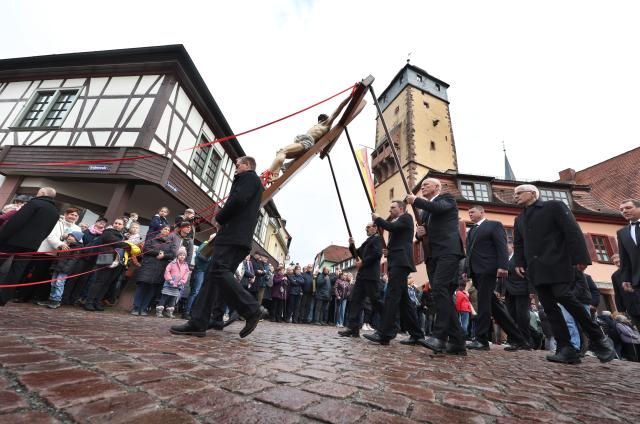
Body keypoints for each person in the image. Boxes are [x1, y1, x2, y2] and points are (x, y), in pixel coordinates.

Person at [513, 184, 615, 364]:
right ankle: (565, 347)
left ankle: (599, 339)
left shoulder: (554, 206)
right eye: (515, 194)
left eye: (519, 193)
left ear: (533, 193)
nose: (516, 196)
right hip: (536, 269)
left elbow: (572, 231)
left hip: (558, 263)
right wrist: (519, 262)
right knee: (549, 308)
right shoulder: (520, 218)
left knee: (564, 297)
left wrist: (581, 258)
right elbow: (519, 244)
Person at [171, 156, 264, 338]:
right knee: (213, 279)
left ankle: (251, 309)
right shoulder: (253, 182)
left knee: (218, 272)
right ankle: (200, 322)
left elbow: (237, 200)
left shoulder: (249, 178)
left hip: (232, 236)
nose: (235, 169)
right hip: (238, 238)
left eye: (237, 166)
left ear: (247, 165)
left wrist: (220, 218)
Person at [406, 178, 467, 355]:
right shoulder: (425, 212)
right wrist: (419, 234)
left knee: (441, 289)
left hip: (448, 251)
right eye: (422, 185)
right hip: (433, 255)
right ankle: (457, 342)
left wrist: (416, 201)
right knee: (443, 295)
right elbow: (423, 233)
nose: (422, 187)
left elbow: (438, 208)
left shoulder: (446, 199)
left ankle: (439, 338)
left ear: (437, 187)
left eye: (426, 184)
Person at [464, 205, 529, 351]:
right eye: (468, 213)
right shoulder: (472, 230)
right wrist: (467, 270)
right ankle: (520, 339)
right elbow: (470, 252)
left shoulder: (493, 225)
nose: (470, 214)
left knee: (484, 303)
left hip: (488, 269)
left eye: (473, 212)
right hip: (476, 271)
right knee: (494, 306)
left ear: (482, 212)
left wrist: (503, 266)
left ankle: (481, 340)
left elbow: (501, 246)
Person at [365, 200, 425, 346]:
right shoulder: (399, 222)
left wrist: (378, 219)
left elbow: (392, 227)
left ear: (401, 208)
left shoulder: (406, 217)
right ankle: (417, 334)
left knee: (392, 297)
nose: (390, 209)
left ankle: (385, 333)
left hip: (400, 262)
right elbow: (397, 236)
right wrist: (389, 250)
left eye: (393, 207)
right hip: (396, 261)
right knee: (404, 301)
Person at [263, 96, 351, 182]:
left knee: (283, 151)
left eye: (321, 119)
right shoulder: (318, 125)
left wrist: (350, 96)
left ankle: (270, 173)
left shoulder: (327, 124)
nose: (320, 120)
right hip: (303, 141)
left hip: (307, 142)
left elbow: (339, 108)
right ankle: (273, 176)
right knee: (280, 153)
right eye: (319, 119)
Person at [0, 187, 60, 306]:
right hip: (31, 246)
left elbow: (16, 222)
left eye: (39, 191)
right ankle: (3, 298)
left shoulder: (34, 203)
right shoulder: (55, 212)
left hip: (13, 241)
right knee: (16, 271)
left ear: (42, 193)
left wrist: (2, 237)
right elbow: (47, 232)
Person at [339, 222, 383, 337]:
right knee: (355, 300)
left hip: (371, 275)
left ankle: (386, 326)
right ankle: (353, 328)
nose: (366, 229)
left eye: (368, 227)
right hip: (362, 276)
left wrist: (363, 262)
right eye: (366, 228)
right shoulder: (367, 242)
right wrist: (351, 245)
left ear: (375, 228)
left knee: (375, 301)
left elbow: (377, 254)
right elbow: (356, 254)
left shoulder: (377, 239)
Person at [131, 225, 177, 315]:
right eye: (165, 229)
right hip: (148, 266)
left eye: (168, 229)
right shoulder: (152, 239)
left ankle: (144, 308)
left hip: (160, 269)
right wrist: (158, 253)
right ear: (161, 230)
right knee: (142, 287)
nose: (166, 230)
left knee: (151, 290)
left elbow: (172, 254)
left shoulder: (170, 243)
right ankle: (136, 308)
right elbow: (145, 249)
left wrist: (164, 256)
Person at [83, 218, 126, 311]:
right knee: (99, 281)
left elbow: (121, 245)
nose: (117, 225)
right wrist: (125, 244)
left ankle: (97, 302)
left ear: (123, 226)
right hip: (105, 256)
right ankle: (89, 302)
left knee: (107, 282)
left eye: (119, 224)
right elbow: (113, 241)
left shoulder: (122, 236)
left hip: (117, 260)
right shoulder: (108, 231)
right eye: (116, 223)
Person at [37, 231, 84, 309]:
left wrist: (66, 269)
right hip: (57, 267)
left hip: (64, 269)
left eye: (72, 236)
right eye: (69, 235)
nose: (69, 237)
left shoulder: (77, 248)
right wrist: (54, 266)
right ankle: (51, 298)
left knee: (59, 283)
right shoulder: (65, 245)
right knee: (53, 283)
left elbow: (73, 260)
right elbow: (58, 257)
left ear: (77, 239)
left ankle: (56, 300)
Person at [503, 241, 535, 348]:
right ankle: (513, 340)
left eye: (505, 246)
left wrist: (531, 291)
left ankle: (525, 340)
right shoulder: (506, 259)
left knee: (522, 316)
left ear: (511, 246)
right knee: (511, 316)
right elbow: (503, 276)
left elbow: (530, 273)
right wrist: (499, 290)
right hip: (509, 291)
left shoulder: (521, 258)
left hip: (522, 290)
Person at [617, 199, 640, 314]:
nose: (624, 211)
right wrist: (625, 279)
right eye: (621, 210)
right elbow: (624, 258)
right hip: (638, 280)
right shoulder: (622, 233)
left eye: (628, 208)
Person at [185, 234, 214, 318]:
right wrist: (210, 259)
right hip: (200, 271)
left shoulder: (211, 247)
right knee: (195, 292)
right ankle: (187, 312)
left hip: (205, 272)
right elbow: (199, 255)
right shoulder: (205, 245)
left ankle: (193, 312)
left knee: (200, 293)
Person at [156, 247, 190, 318]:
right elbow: (167, 271)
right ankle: (159, 311)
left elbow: (186, 274)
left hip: (178, 285)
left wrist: (182, 281)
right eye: (180, 255)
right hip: (169, 283)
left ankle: (169, 312)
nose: (182, 256)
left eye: (183, 255)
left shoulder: (186, 265)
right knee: (164, 297)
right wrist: (169, 280)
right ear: (177, 255)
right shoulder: (172, 263)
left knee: (173, 298)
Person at [611, 253, 640, 328]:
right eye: (615, 262)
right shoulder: (614, 276)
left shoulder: (633, 269)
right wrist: (621, 309)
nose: (618, 264)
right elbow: (617, 293)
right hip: (630, 305)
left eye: (619, 261)